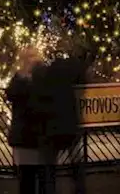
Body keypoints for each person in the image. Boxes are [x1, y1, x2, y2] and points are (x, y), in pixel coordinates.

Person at [35, 56, 84, 194]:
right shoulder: (69, 79)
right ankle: (80, 190)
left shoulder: (45, 79)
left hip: (51, 129)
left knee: (49, 167)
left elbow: (39, 104)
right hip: (70, 127)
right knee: (76, 164)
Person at [7, 47, 45, 194]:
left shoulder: (44, 76)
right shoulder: (19, 78)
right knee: (26, 178)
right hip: (25, 135)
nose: (31, 60)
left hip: (40, 134)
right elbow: (11, 94)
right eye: (28, 57)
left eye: (34, 56)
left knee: (43, 178)